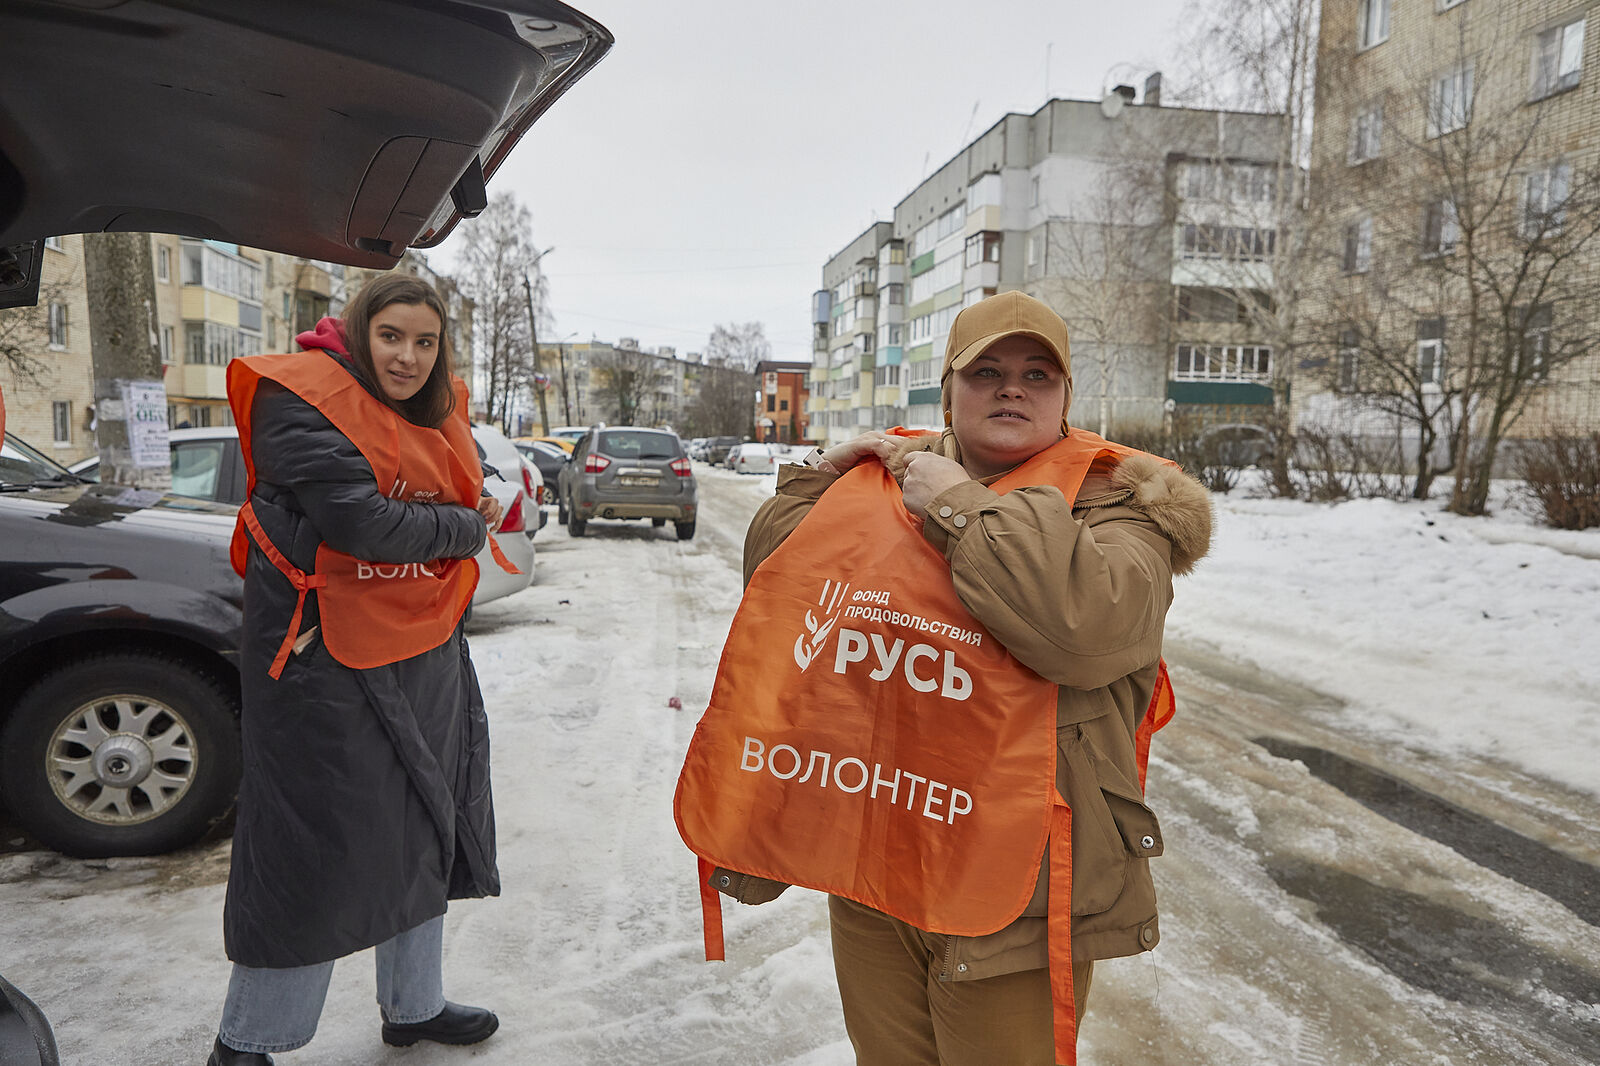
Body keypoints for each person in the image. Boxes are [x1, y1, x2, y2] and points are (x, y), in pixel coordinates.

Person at [676, 290, 1212, 1065]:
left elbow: (1081, 630)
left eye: (1037, 373)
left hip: (1018, 887)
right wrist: (819, 483)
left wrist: (958, 509)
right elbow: (779, 585)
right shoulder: (893, 480)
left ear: (1065, 397)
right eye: (985, 370)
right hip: (882, 855)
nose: (1011, 388)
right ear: (948, 391)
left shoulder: (1122, 507)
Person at [207, 274, 506, 1065]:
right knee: (314, 843)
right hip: (320, 659)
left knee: (425, 822)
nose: (408, 357)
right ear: (357, 330)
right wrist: (462, 529)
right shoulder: (298, 397)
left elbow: (450, 498)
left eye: (425, 341)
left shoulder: (431, 409)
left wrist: (460, 521)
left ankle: (414, 1005)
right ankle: (248, 1042)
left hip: (421, 644)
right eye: (391, 337)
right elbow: (362, 523)